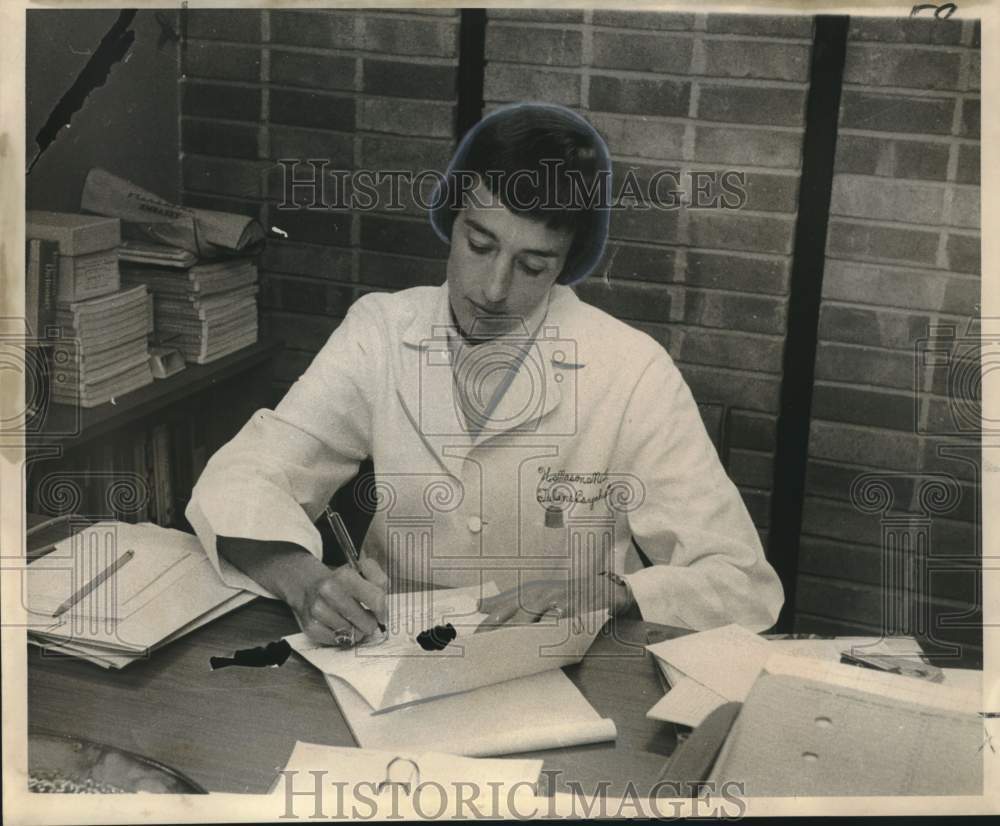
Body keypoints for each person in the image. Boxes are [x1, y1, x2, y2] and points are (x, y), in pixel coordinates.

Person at [187, 102, 784, 647]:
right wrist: (304, 580)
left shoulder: (631, 372)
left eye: (532, 265)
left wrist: (613, 592)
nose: (494, 290)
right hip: (390, 656)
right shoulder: (382, 332)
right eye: (479, 245)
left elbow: (741, 583)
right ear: (452, 220)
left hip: (565, 669)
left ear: (568, 263)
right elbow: (246, 475)